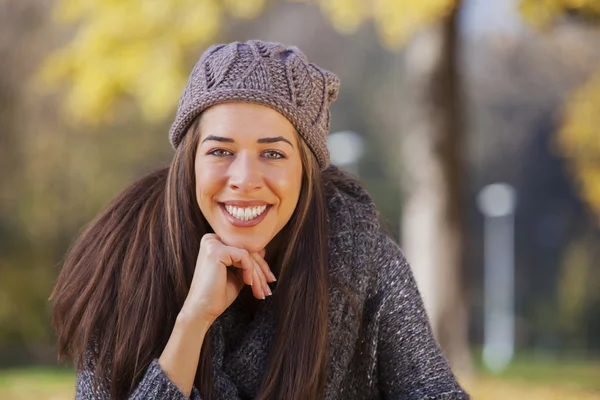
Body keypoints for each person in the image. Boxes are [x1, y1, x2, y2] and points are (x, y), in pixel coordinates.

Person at [51, 40, 470, 400]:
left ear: (306, 172)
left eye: (273, 154)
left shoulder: (358, 252)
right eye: (220, 151)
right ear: (190, 162)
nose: (245, 180)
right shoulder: (123, 260)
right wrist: (193, 320)